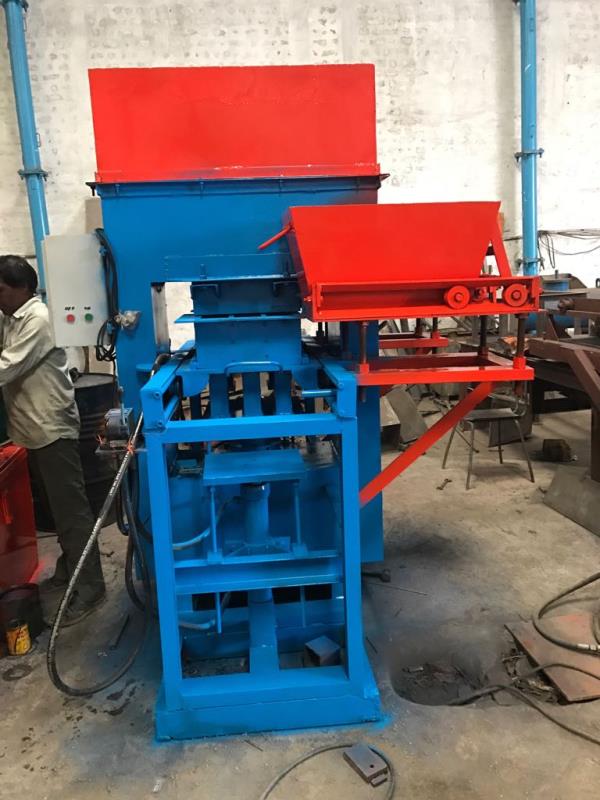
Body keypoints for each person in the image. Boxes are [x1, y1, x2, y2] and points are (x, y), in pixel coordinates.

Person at [0, 255, 105, 625]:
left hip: (51, 430)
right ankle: (71, 565)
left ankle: (91, 587)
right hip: (31, 429)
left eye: (1, 290)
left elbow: (6, 367)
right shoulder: (10, 317)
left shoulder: (38, 319)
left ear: (22, 289)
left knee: (71, 512)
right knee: (55, 509)